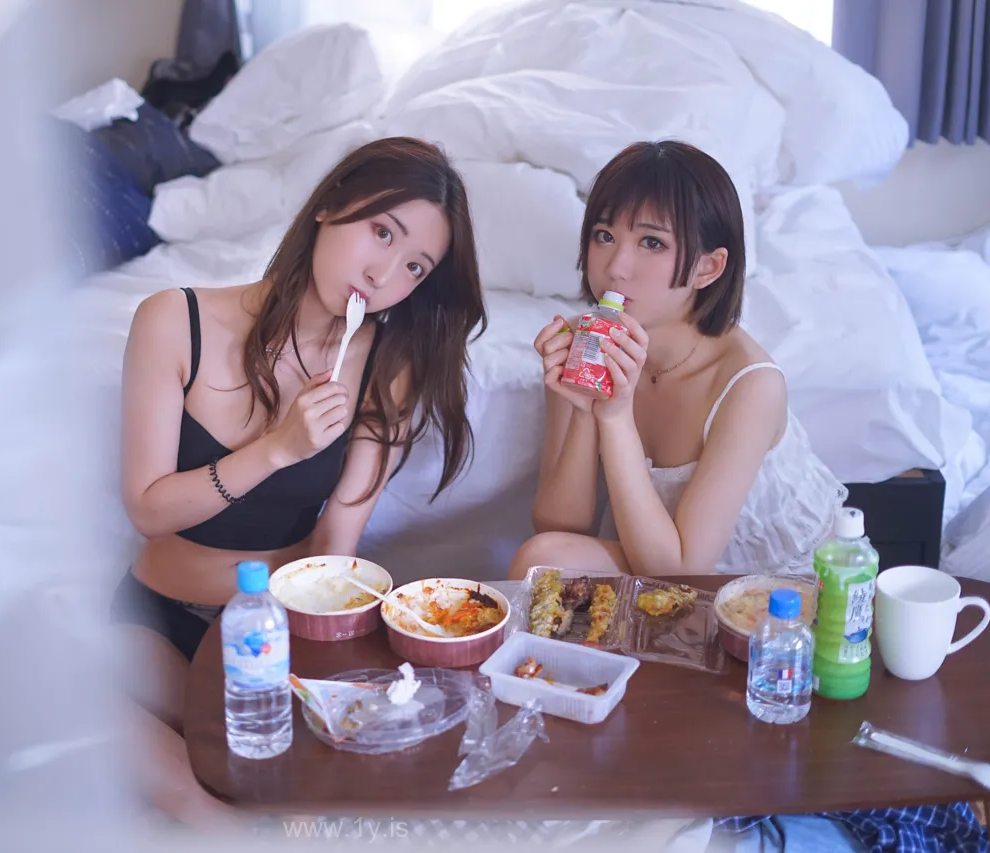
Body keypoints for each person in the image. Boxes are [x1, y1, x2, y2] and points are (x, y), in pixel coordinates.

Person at [114, 136, 486, 824]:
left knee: (276, 756)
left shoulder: (388, 365)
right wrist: (277, 449)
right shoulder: (174, 320)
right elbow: (147, 509)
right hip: (160, 617)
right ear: (330, 206)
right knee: (81, 685)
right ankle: (217, 824)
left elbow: (335, 544)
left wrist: (312, 668)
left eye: (414, 266)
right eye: (381, 232)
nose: (382, 274)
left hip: (280, 629)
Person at [511, 140, 846, 581]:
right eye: (604, 235)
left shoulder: (750, 385)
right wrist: (584, 411)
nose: (617, 266)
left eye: (651, 242)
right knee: (539, 559)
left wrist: (615, 417)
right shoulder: (584, 342)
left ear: (708, 268)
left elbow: (682, 570)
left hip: (768, 589)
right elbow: (561, 528)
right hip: (654, 554)